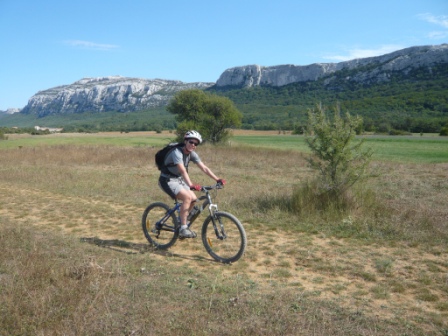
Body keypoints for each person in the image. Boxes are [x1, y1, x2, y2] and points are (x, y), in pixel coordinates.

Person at [158, 130, 226, 238]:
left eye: (196, 143)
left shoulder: (192, 154)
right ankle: (183, 228)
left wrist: (217, 179)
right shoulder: (176, 152)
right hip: (167, 180)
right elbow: (182, 170)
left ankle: (180, 220)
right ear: (185, 141)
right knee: (187, 198)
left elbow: (204, 168)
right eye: (191, 142)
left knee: (194, 199)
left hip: (178, 179)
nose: (193, 145)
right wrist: (191, 185)